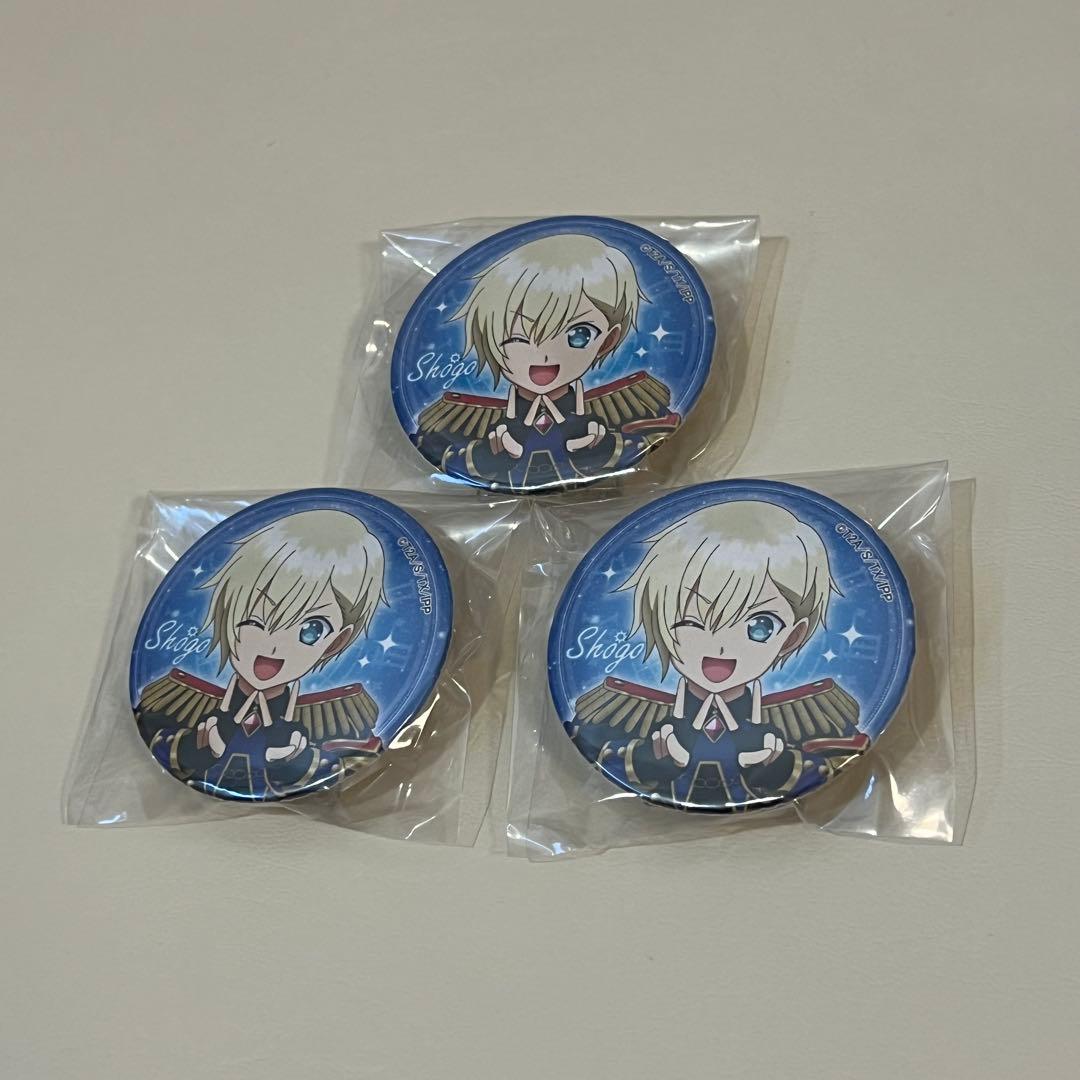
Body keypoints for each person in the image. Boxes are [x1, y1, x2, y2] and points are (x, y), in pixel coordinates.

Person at [572, 500, 868, 810]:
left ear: (792, 637)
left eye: (759, 626)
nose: (720, 646)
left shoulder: (809, 712)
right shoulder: (624, 707)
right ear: (659, 619)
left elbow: (839, 758)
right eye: (690, 621)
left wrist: (780, 768)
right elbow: (593, 745)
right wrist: (649, 762)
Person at [137, 509, 385, 799]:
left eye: (310, 630)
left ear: (336, 641)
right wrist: (193, 750)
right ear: (227, 611)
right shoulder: (182, 696)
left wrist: (299, 762)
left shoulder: (335, 712)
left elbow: (359, 759)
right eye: (254, 620)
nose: (274, 645)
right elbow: (152, 733)